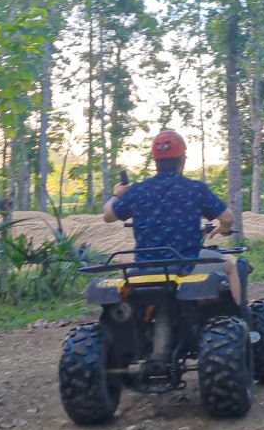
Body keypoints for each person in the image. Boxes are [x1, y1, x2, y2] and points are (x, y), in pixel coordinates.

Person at [102, 130, 242, 304]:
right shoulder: (195, 188)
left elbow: (108, 216)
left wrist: (116, 195)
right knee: (232, 266)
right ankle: (239, 321)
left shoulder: (138, 190)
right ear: (182, 160)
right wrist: (223, 228)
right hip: (187, 265)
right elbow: (228, 218)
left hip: (144, 267)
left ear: (156, 161)